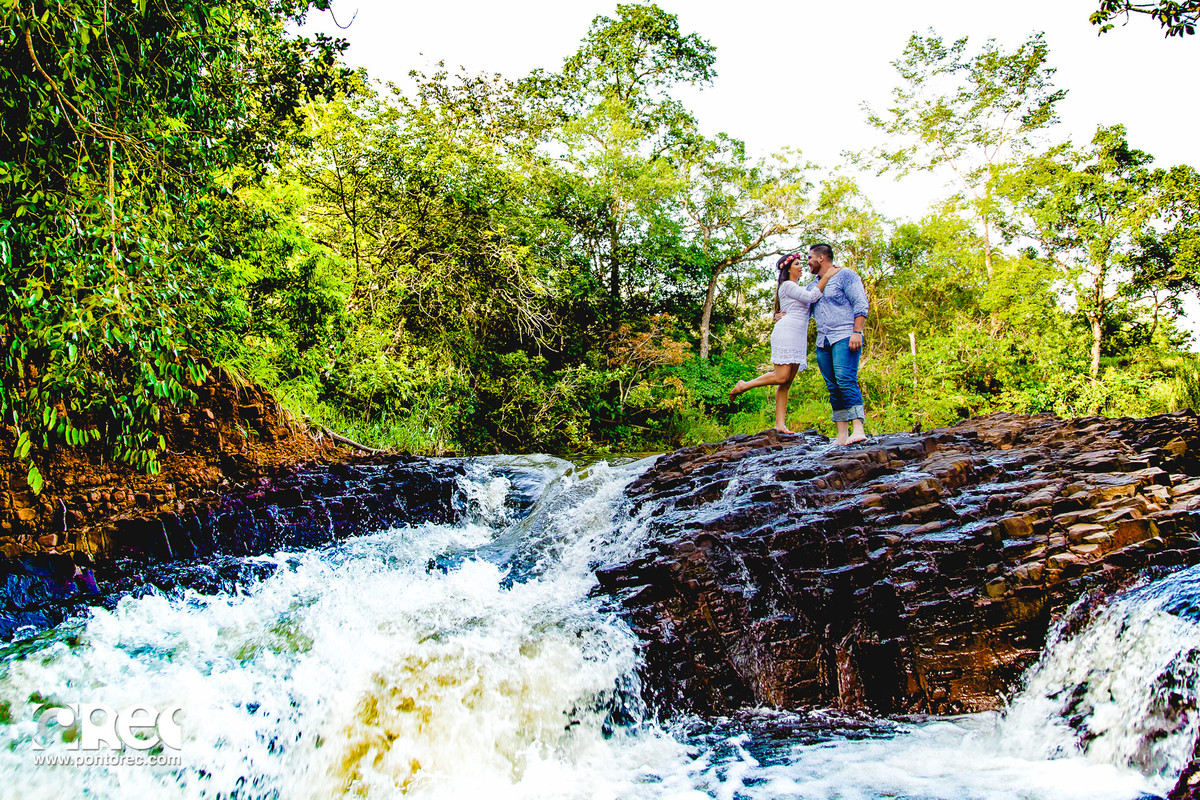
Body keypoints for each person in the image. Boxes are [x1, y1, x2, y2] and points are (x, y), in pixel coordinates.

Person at [728, 253, 838, 433]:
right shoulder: (787, 285)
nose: (801, 266)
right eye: (797, 264)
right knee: (781, 377)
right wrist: (827, 276)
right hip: (787, 333)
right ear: (788, 269)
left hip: (798, 336)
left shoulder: (796, 287)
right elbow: (812, 297)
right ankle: (744, 385)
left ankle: (780, 424)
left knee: (786, 383)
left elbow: (807, 305)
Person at [806, 243, 869, 445]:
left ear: (821, 258)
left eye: (810, 258)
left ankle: (858, 428)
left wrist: (857, 332)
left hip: (845, 335)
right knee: (833, 386)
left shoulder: (846, 275)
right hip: (823, 341)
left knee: (845, 379)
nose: (808, 262)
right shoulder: (812, 286)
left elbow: (860, 303)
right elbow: (803, 310)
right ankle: (842, 435)